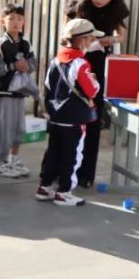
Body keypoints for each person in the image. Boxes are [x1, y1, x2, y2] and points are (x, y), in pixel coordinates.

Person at [64, 0, 130, 188]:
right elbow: (64, 35)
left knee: (92, 117)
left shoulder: (116, 9)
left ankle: (85, 175)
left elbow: (122, 34)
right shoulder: (78, 5)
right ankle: (62, 170)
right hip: (76, 63)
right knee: (70, 119)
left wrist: (112, 39)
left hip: (99, 64)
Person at [36, 19, 103, 207]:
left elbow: (48, 87)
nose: (91, 43)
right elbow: (92, 90)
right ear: (81, 40)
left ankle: (45, 186)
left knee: (53, 152)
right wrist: (95, 81)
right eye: (90, 39)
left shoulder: (55, 60)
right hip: (74, 118)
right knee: (72, 155)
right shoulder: (81, 63)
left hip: (56, 116)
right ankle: (64, 191)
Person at [0, 4, 37, 178]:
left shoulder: (26, 43)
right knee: (5, 128)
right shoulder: (0, 44)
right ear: (3, 21)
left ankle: (14, 159)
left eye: (19, 19)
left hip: (20, 92)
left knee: (19, 129)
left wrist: (27, 67)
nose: (16, 22)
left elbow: (33, 64)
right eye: (11, 19)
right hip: (5, 92)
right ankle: (2, 162)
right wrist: (13, 66)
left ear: (24, 21)